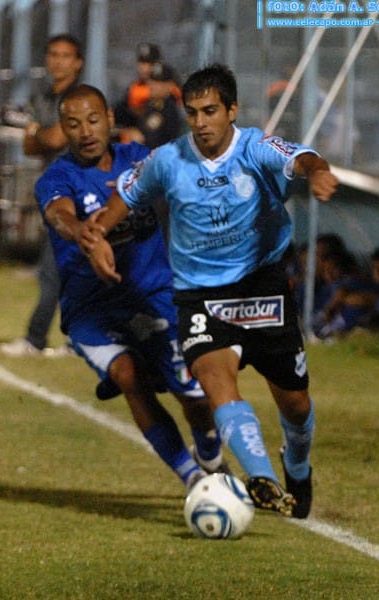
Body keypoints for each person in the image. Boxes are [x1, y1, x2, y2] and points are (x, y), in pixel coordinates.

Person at [79, 64, 339, 518]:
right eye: (193, 112)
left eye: (211, 111)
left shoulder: (254, 148)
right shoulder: (168, 160)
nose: (200, 122)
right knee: (216, 382)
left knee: (296, 404)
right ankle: (262, 479)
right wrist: (99, 233)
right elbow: (128, 194)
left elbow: (302, 158)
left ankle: (296, 464)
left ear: (232, 110)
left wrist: (316, 173)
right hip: (200, 294)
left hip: (262, 286)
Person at [36, 83, 228, 489]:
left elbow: (181, 175)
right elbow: (58, 214)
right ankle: (194, 479)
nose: (85, 131)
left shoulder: (136, 158)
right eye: (73, 124)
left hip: (155, 296)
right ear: (63, 130)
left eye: (93, 120)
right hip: (92, 309)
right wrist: (84, 234)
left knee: (193, 395)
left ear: (110, 119)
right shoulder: (57, 177)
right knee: (129, 377)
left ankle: (210, 455)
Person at [0, 34, 83, 357]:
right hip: (56, 189)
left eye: (65, 55)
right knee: (71, 270)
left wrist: (38, 133)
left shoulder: (79, 97)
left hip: (78, 191)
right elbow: (30, 146)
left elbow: (56, 139)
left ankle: (36, 339)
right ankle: (78, 340)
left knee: (52, 268)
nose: (58, 61)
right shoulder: (45, 96)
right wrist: (38, 135)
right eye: (53, 54)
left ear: (78, 62)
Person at [114, 61, 184, 150]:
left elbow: (161, 141)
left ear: (169, 85)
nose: (152, 85)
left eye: (158, 82)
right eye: (151, 80)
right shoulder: (151, 104)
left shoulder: (170, 109)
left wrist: (141, 139)